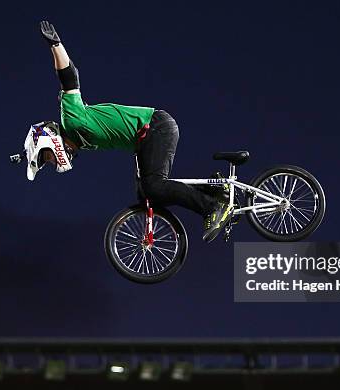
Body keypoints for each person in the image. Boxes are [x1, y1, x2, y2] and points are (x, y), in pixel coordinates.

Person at [20, 21, 233, 242]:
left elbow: (69, 77)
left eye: (47, 157)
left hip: (154, 127)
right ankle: (214, 189)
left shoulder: (71, 120)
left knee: (154, 186)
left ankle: (213, 207)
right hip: (144, 139)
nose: (54, 163)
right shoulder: (79, 140)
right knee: (144, 193)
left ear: (48, 140)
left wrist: (55, 44)